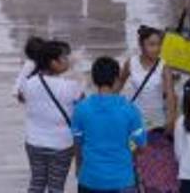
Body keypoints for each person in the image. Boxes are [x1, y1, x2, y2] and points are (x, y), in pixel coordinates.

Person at [71, 56, 147, 193]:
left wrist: (78, 167)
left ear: (94, 80)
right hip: (122, 180)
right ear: (117, 79)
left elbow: (78, 143)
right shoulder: (130, 110)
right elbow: (141, 146)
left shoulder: (81, 109)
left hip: (89, 178)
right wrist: (129, 149)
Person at [16, 37, 83, 193]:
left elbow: (21, 96)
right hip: (62, 145)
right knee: (56, 187)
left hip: (34, 142)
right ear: (53, 63)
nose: (67, 60)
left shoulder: (29, 83)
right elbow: (82, 107)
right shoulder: (71, 86)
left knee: (36, 184)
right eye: (64, 58)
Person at [120, 26, 179, 191]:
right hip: (134, 125)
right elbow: (118, 85)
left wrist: (171, 119)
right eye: (151, 44)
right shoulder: (130, 63)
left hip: (157, 126)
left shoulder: (163, 66)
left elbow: (170, 94)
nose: (156, 49)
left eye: (158, 44)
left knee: (154, 169)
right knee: (133, 164)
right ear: (141, 45)